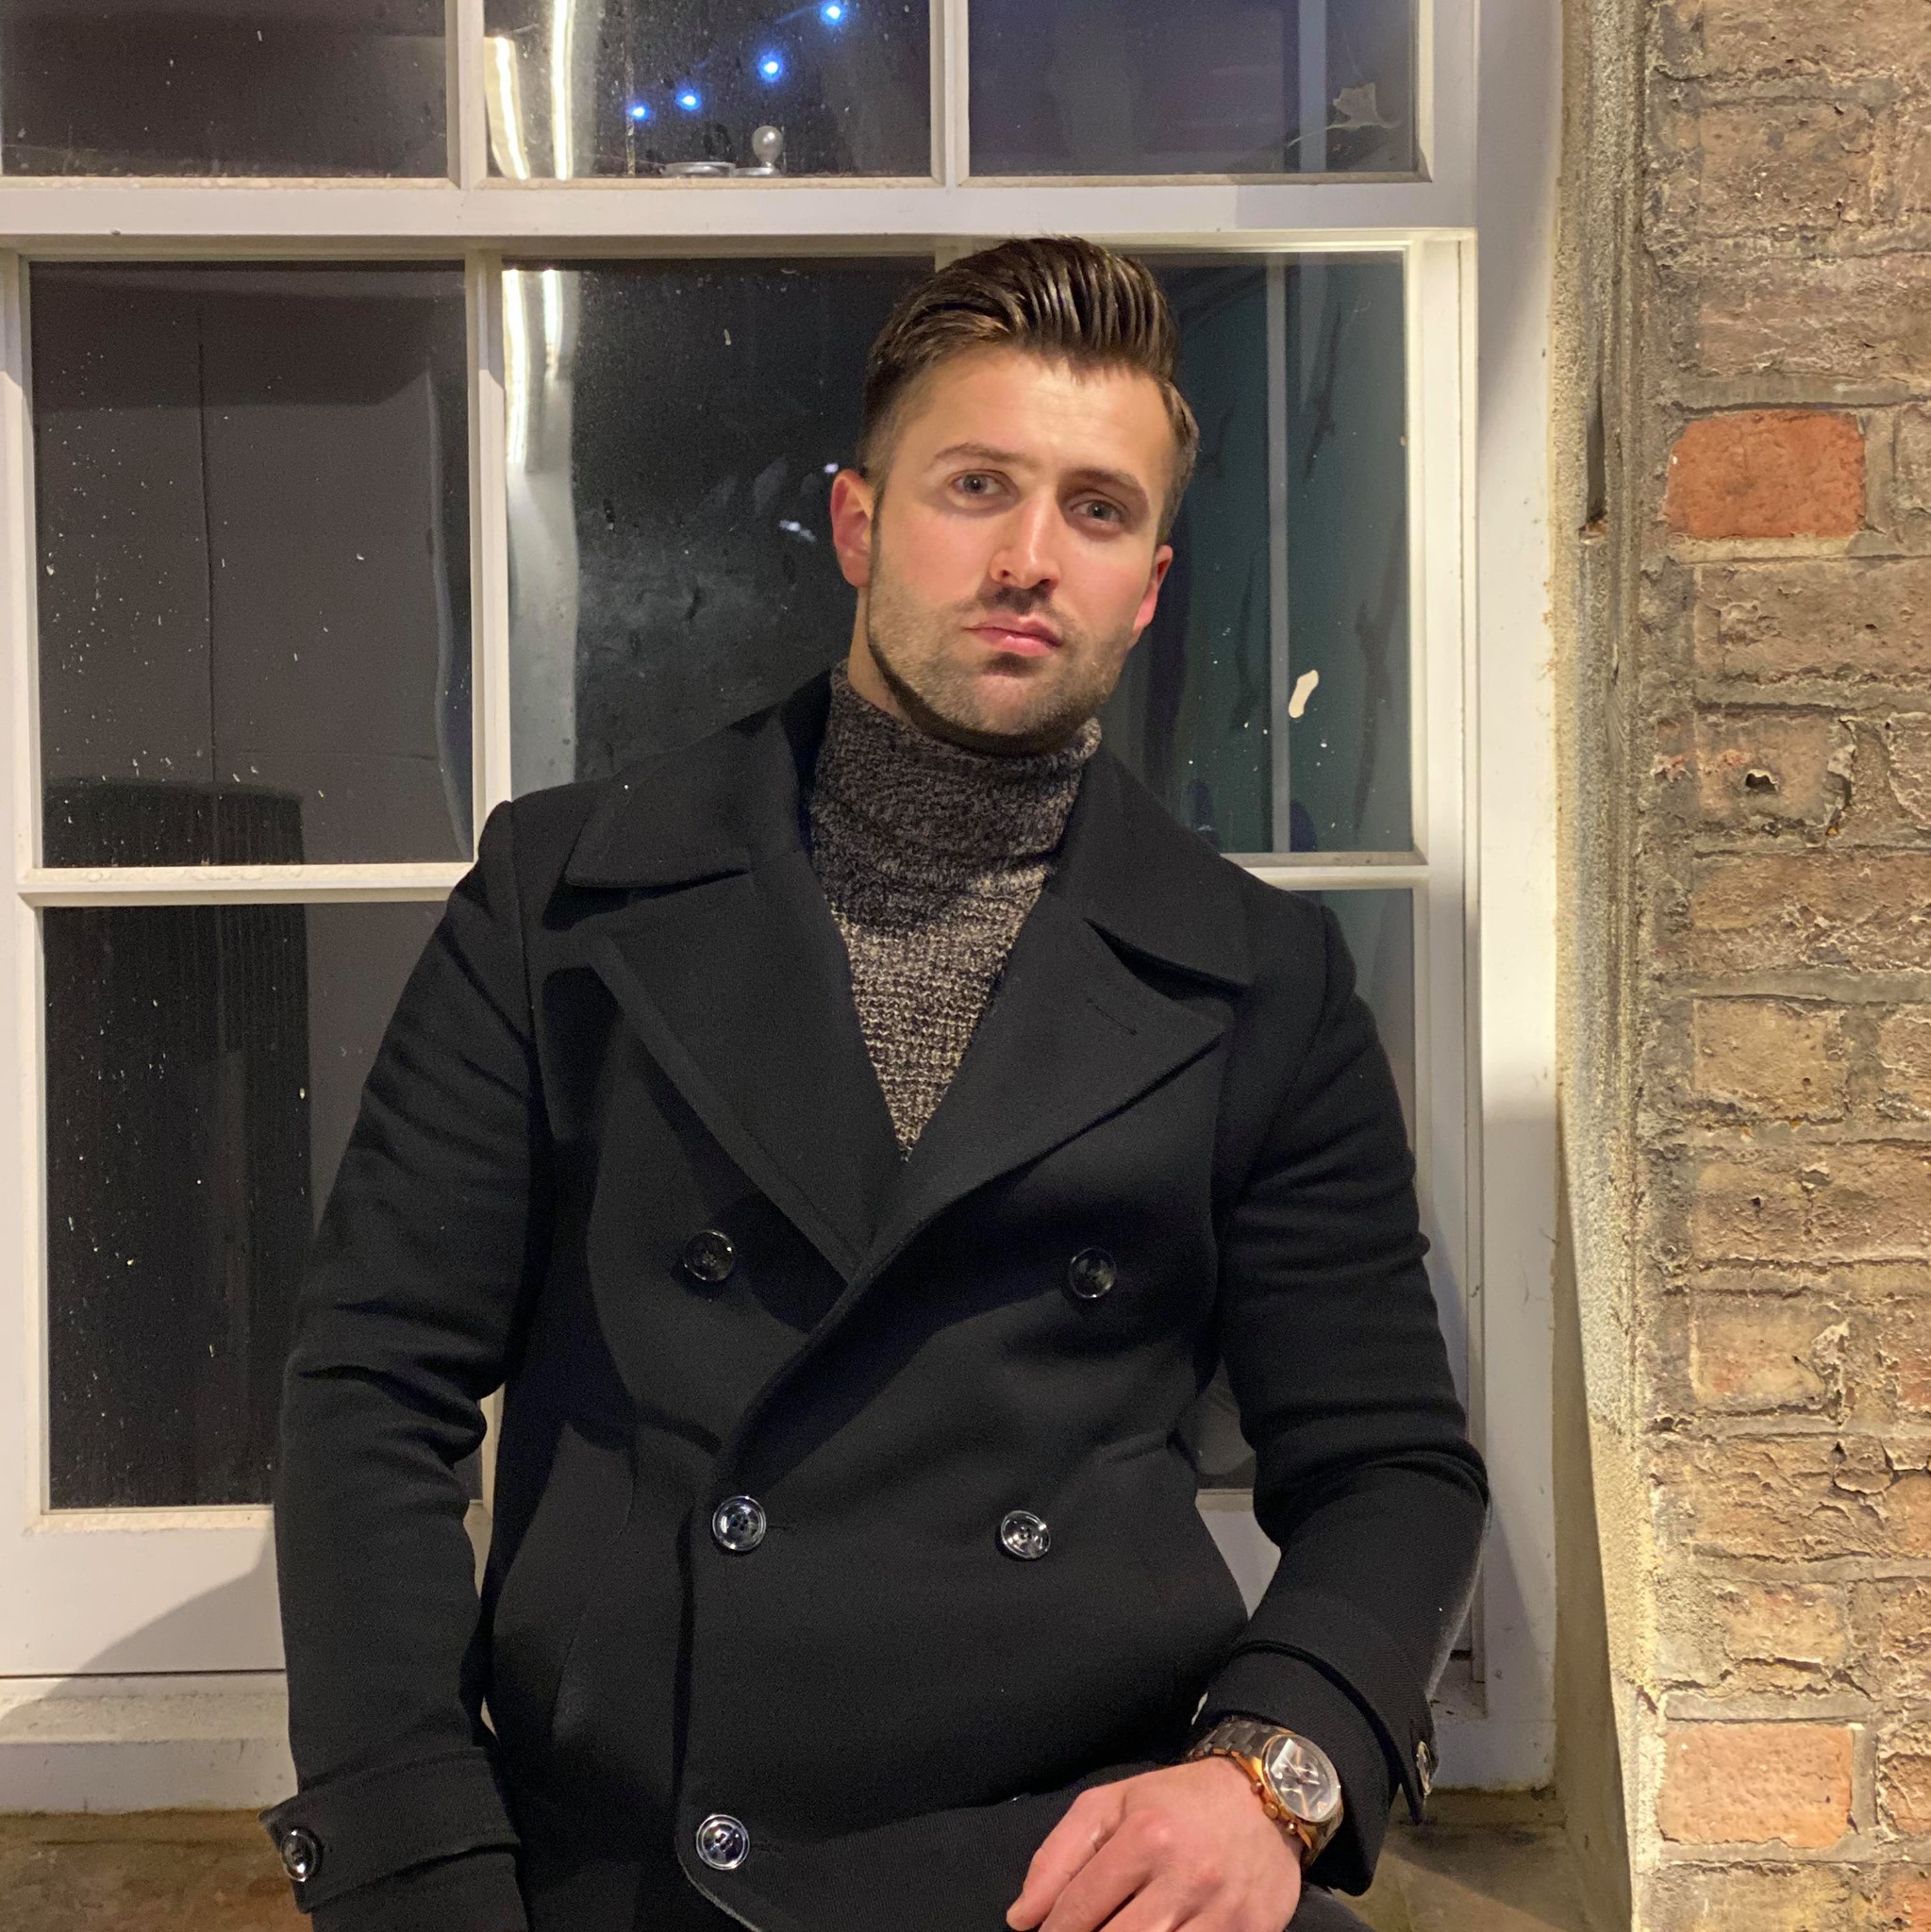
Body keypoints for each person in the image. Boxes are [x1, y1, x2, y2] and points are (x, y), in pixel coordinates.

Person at [263, 236, 1487, 1932]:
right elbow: (370, 1391)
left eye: (1097, 510)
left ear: (1148, 584)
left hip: (1084, 1867)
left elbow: (1394, 1465)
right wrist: (423, 1869)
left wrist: (1266, 1779)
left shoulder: (1257, 977)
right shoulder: (568, 903)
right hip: (641, 1864)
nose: (1030, 556)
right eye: (977, 486)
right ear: (857, 524)